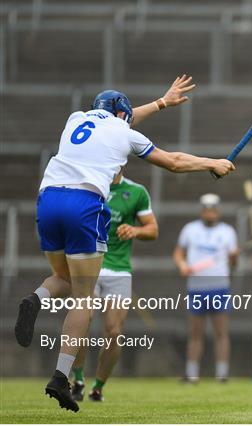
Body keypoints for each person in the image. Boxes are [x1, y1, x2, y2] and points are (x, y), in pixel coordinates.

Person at [14, 76, 235, 412]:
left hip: (47, 199)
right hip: (84, 203)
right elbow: (173, 162)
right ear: (122, 115)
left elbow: (118, 123)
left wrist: (161, 103)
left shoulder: (75, 118)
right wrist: (211, 163)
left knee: (62, 279)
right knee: (83, 297)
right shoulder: (126, 133)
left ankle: (35, 298)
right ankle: (60, 377)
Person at [70, 168, 158, 402]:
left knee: (114, 331)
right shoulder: (87, 187)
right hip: (88, 265)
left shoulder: (136, 192)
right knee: (82, 321)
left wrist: (136, 230)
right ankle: (77, 378)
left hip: (119, 270)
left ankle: (98, 386)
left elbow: (153, 230)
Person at [172, 194, 239, 383]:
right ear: (202, 211)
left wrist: (234, 257)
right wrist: (182, 265)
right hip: (196, 287)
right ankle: (192, 373)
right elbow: (178, 253)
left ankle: (222, 373)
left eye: (213, 210)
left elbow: (233, 264)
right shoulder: (190, 230)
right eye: (206, 210)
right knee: (195, 333)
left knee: (221, 333)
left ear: (217, 212)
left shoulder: (227, 232)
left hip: (219, 287)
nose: (210, 213)